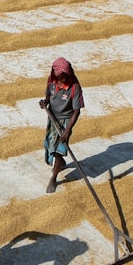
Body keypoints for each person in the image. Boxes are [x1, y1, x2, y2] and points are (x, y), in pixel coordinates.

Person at [38, 57, 84, 193]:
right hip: (52, 117)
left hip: (66, 121)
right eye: (60, 77)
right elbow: (48, 94)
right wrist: (45, 102)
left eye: (64, 77)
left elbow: (77, 111)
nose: (62, 80)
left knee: (59, 150)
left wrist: (67, 131)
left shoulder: (74, 87)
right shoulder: (51, 80)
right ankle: (61, 164)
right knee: (50, 145)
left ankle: (54, 177)